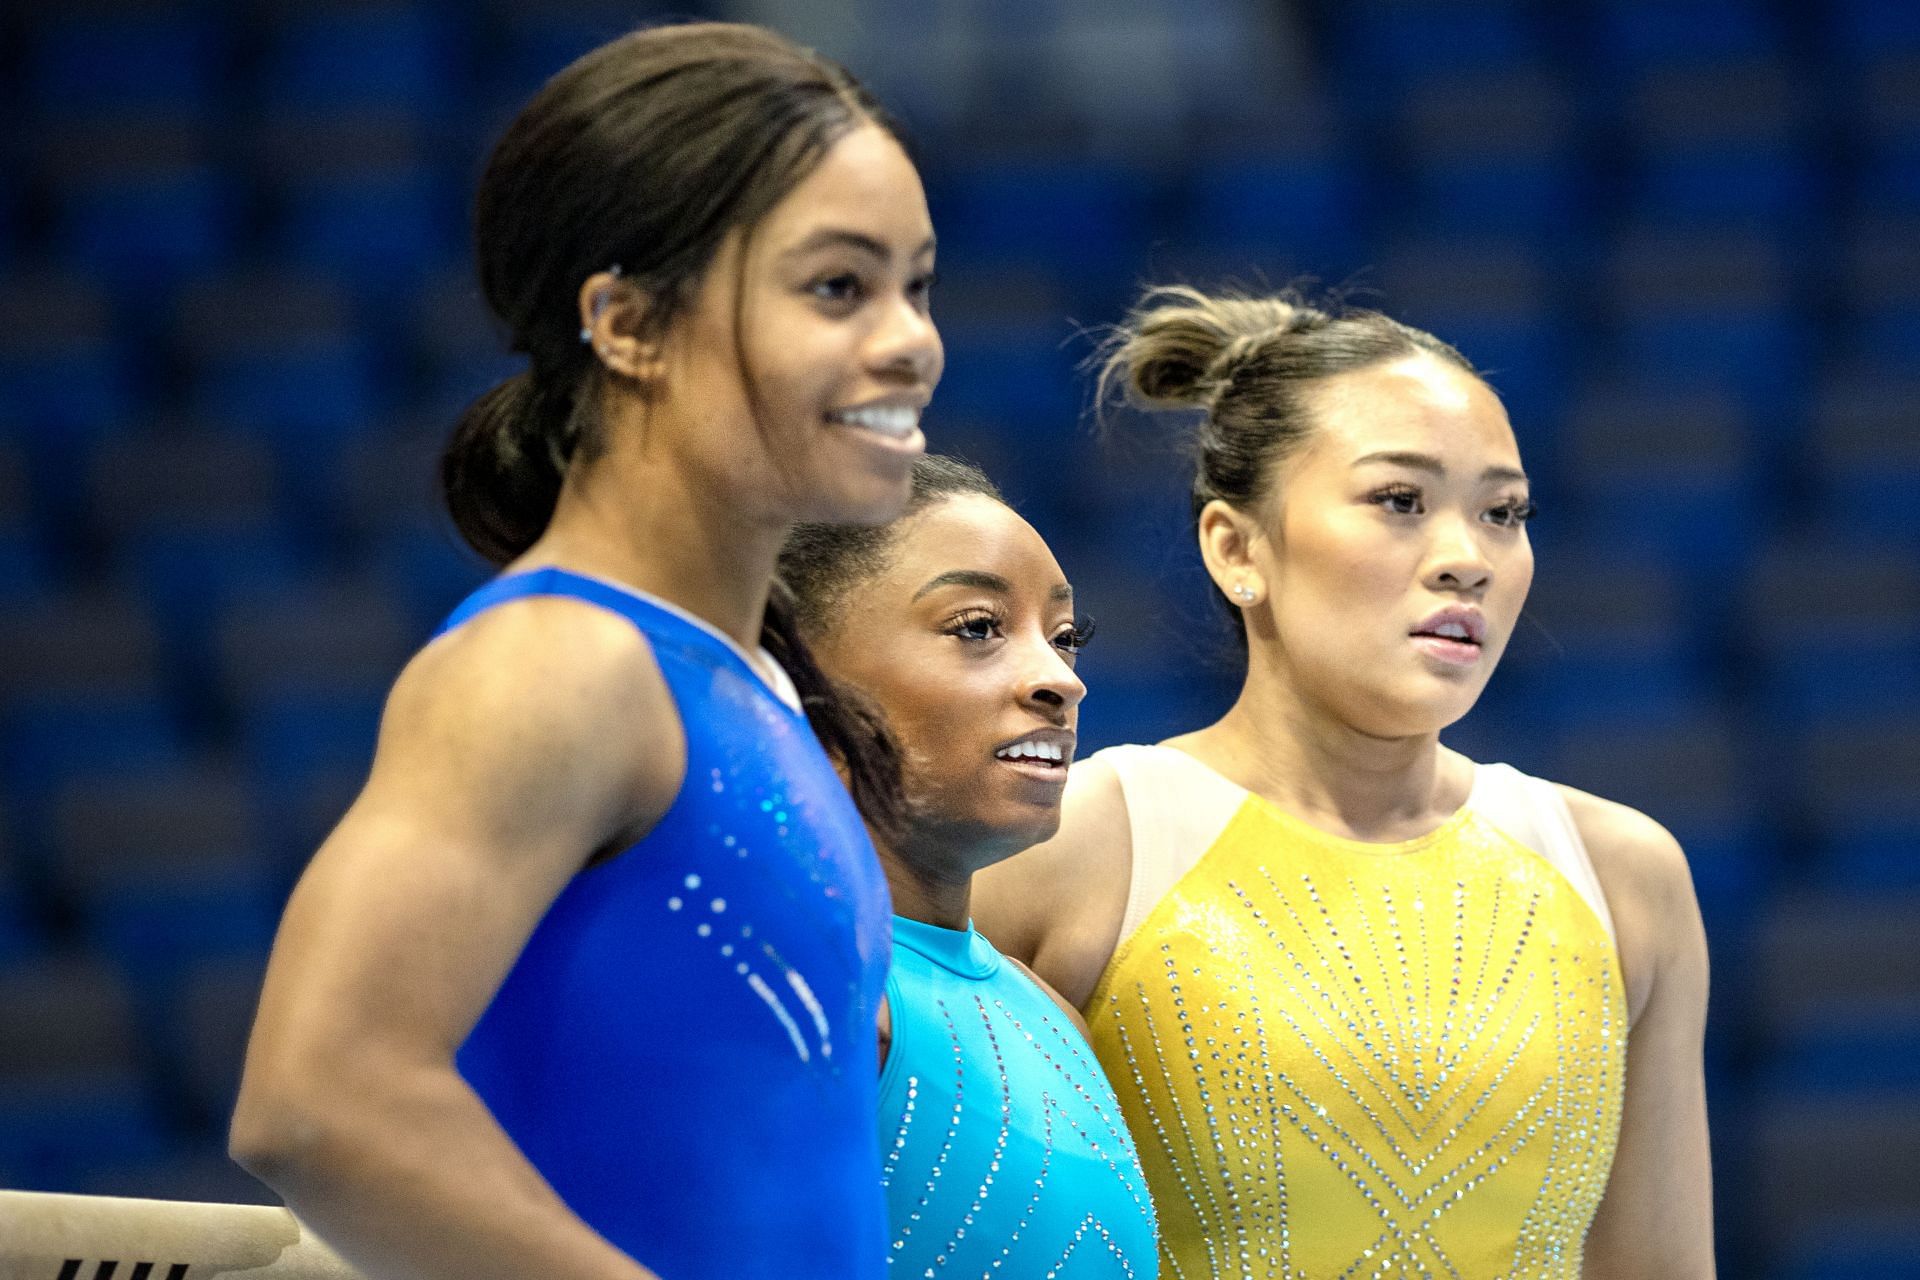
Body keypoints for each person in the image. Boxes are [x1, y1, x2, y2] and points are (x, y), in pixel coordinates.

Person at [228, 23, 942, 1280]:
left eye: (916, 284)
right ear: (626, 322)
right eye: (839, 287)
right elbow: (317, 1095)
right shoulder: (558, 664)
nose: (909, 340)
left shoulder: (751, 682)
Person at [973, 287, 1715, 1279]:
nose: (1468, 558)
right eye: (1400, 500)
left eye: (1504, 512)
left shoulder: (1623, 876)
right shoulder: (1080, 847)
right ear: (1237, 548)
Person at [778, 455, 1159, 1278]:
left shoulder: (1050, 1014)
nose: (1061, 679)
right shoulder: (803, 999)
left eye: (1065, 638)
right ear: (799, 675)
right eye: (979, 627)